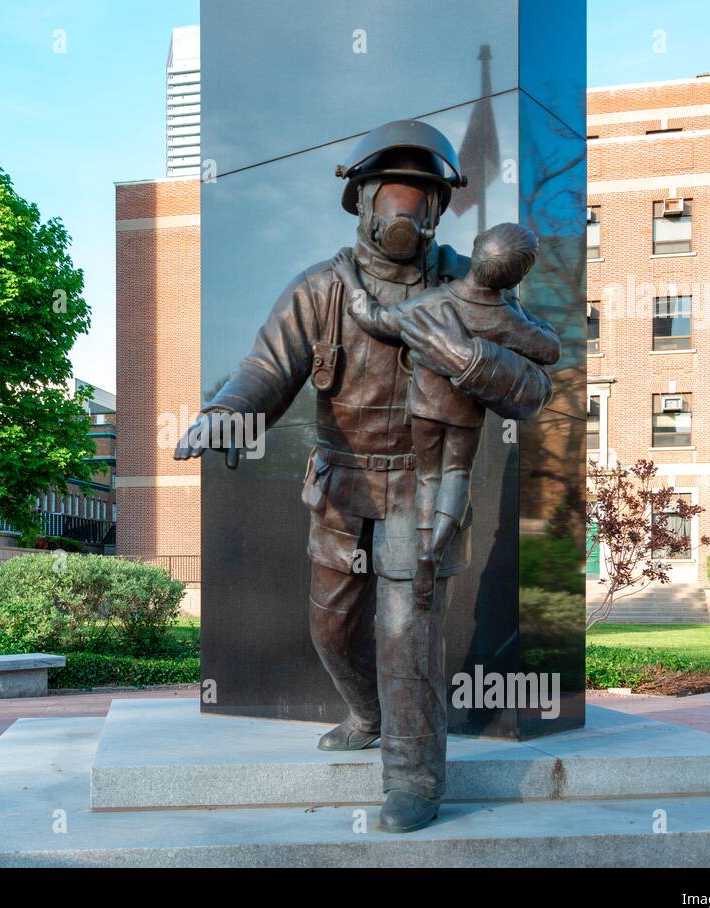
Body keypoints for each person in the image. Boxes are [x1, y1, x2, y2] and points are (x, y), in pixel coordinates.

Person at [175, 119, 554, 832]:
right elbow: (264, 369)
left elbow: (536, 388)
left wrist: (472, 361)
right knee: (330, 629)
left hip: (424, 486)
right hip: (344, 489)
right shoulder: (321, 290)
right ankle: (369, 712)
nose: (405, 210)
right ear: (363, 201)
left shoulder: (472, 290)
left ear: (440, 208)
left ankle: (414, 777)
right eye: (392, 194)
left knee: (405, 626)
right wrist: (226, 413)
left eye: (420, 196)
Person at [330, 222, 560, 610]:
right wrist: (516, 306)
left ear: (476, 250)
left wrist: (348, 274)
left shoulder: (431, 302)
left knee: (428, 477)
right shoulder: (504, 319)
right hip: (465, 413)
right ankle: (434, 554)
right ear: (516, 276)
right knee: (456, 475)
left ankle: (421, 549)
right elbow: (550, 348)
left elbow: (370, 316)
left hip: (424, 408)